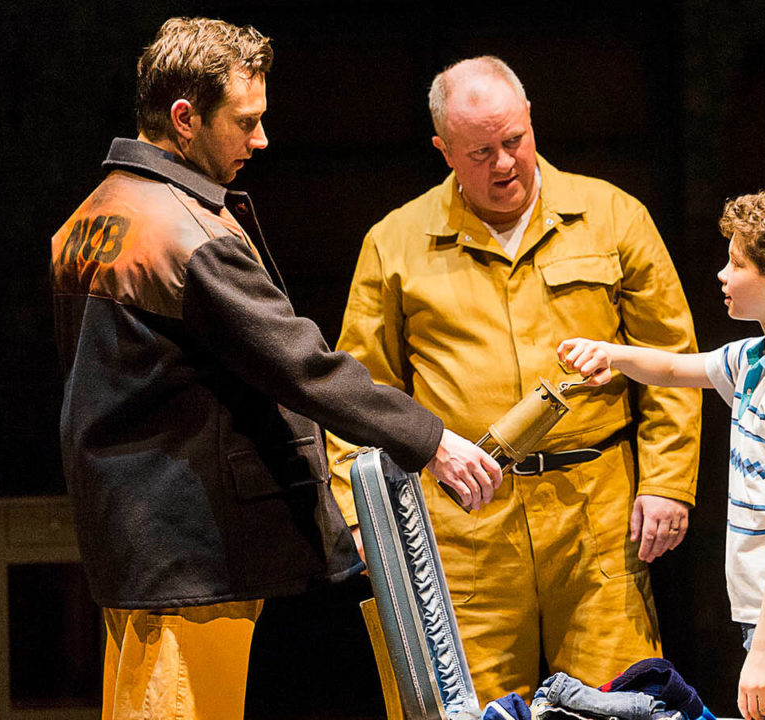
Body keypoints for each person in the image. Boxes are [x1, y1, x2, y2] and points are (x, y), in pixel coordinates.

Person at [49, 18, 500, 719]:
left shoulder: (92, 216)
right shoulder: (183, 233)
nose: (261, 140)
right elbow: (299, 363)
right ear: (183, 118)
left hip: (131, 540)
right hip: (193, 554)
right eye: (246, 121)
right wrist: (432, 440)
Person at [327, 56, 702, 701]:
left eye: (513, 141)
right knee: (465, 707)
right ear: (443, 150)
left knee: (616, 704)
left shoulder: (614, 218)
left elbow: (671, 359)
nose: (504, 163)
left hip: (597, 523)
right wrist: (362, 519)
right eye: (480, 152)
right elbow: (360, 393)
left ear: (531, 122)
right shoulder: (396, 242)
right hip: (464, 526)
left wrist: (668, 483)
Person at [558, 187, 765, 720]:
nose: (722, 273)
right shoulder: (754, 359)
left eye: (735, 262)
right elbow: (677, 370)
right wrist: (612, 354)